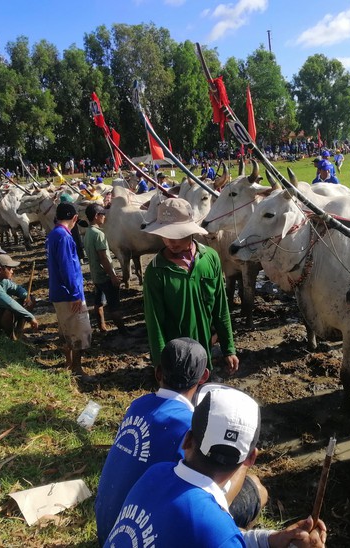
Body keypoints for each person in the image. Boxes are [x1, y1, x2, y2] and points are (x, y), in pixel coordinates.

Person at [103, 388, 326, 548]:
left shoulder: (156, 473)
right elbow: (220, 537)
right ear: (250, 459)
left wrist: (270, 540)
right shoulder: (214, 529)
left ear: (187, 440)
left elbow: (223, 538)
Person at [95, 338, 212, 543]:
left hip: (106, 527)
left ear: (158, 373)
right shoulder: (189, 426)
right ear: (204, 377)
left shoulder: (138, 404)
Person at [142, 197, 238, 376]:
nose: (171, 241)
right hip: (176, 353)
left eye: (177, 235)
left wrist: (228, 348)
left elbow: (220, 307)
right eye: (166, 235)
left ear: (191, 231)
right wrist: (160, 361)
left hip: (206, 346)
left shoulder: (210, 258)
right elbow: (154, 322)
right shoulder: (156, 272)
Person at [46, 202, 92, 378]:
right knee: (79, 331)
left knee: (65, 328)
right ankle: (77, 369)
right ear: (74, 218)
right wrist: (75, 294)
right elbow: (67, 268)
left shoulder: (53, 234)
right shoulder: (64, 237)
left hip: (58, 291)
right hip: (69, 293)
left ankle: (68, 363)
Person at [83, 203, 125, 333]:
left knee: (98, 302)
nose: (104, 218)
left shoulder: (88, 233)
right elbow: (103, 257)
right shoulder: (99, 234)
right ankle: (123, 331)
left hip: (96, 275)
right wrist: (113, 276)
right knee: (114, 306)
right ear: (96, 216)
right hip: (105, 275)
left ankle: (102, 327)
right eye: (103, 215)